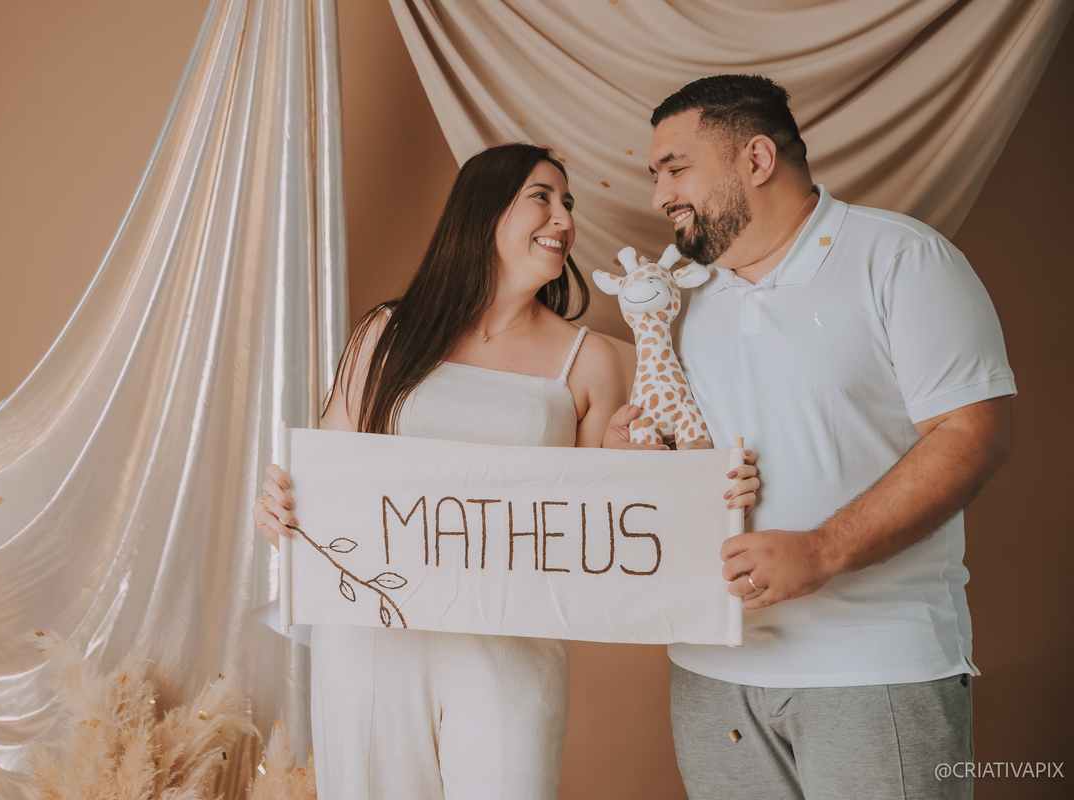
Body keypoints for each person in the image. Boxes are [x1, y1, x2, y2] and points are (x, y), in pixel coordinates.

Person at [252, 141, 761, 799]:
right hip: (370, 638)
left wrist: (644, 474)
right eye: (541, 198)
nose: (564, 219)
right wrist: (283, 509)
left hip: (510, 645)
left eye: (568, 203)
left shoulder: (590, 359)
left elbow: (592, 522)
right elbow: (333, 479)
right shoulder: (384, 333)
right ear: (483, 212)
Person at [605, 74, 1014, 799]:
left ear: (757, 159)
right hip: (711, 668)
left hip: (873, 664)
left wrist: (823, 550)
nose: (661, 194)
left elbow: (972, 434)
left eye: (676, 168)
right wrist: (639, 459)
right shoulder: (686, 300)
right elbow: (692, 449)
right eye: (655, 175)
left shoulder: (901, 259)